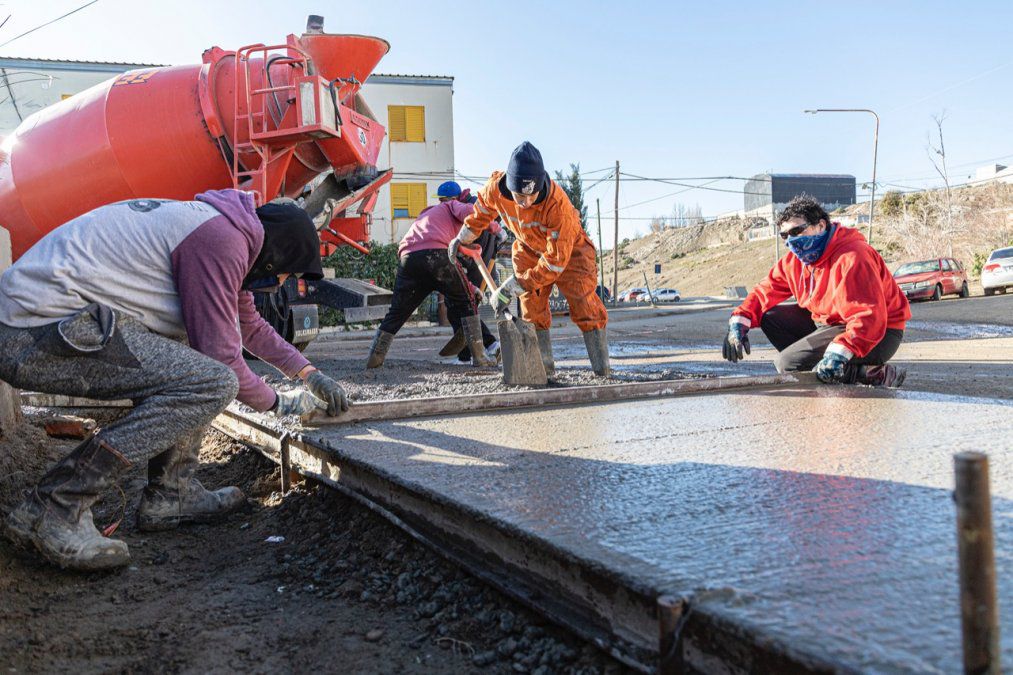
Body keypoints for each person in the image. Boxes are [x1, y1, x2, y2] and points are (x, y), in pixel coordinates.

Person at [0, 190, 350, 571]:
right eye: (289, 272)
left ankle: (173, 495)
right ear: (276, 255)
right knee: (212, 381)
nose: (283, 281)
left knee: (196, 356)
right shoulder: (220, 242)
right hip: (32, 333)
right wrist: (281, 403)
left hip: (51, 323)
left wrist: (308, 373)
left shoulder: (227, 232)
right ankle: (57, 503)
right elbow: (224, 359)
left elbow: (247, 325)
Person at [448, 142, 610, 376]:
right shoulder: (495, 188)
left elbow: (554, 262)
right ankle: (543, 372)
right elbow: (480, 215)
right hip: (528, 248)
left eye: (532, 196)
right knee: (532, 309)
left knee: (586, 306)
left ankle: (602, 370)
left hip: (570, 251)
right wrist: (461, 239)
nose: (526, 203)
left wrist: (515, 283)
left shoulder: (557, 205)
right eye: (519, 197)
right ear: (508, 185)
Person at [721, 195, 910, 387]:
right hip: (830, 324)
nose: (791, 241)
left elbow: (869, 316)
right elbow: (764, 291)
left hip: (879, 333)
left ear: (820, 226)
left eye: (797, 231)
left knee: (787, 364)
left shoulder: (853, 256)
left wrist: (841, 350)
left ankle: (868, 374)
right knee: (770, 317)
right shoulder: (795, 262)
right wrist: (739, 321)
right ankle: (831, 368)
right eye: (785, 236)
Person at [365, 181, 497, 368]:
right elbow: (473, 214)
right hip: (436, 255)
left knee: (397, 312)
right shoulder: (452, 205)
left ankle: (374, 358)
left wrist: (471, 286)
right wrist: (495, 228)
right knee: (466, 302)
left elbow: (452, 264)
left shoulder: (426, 215)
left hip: (408, 259)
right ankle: (480, 357)